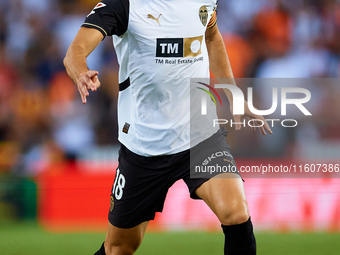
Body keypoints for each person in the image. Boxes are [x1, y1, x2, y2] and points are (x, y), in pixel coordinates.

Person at [63, 0, 273, 254]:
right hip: (144, 146)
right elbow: (76, 49)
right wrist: (81, 72)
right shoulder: (123, 5)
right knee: (119, 248)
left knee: (236, 213)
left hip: (199, 135)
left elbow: (212, 37)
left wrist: (233, 94)